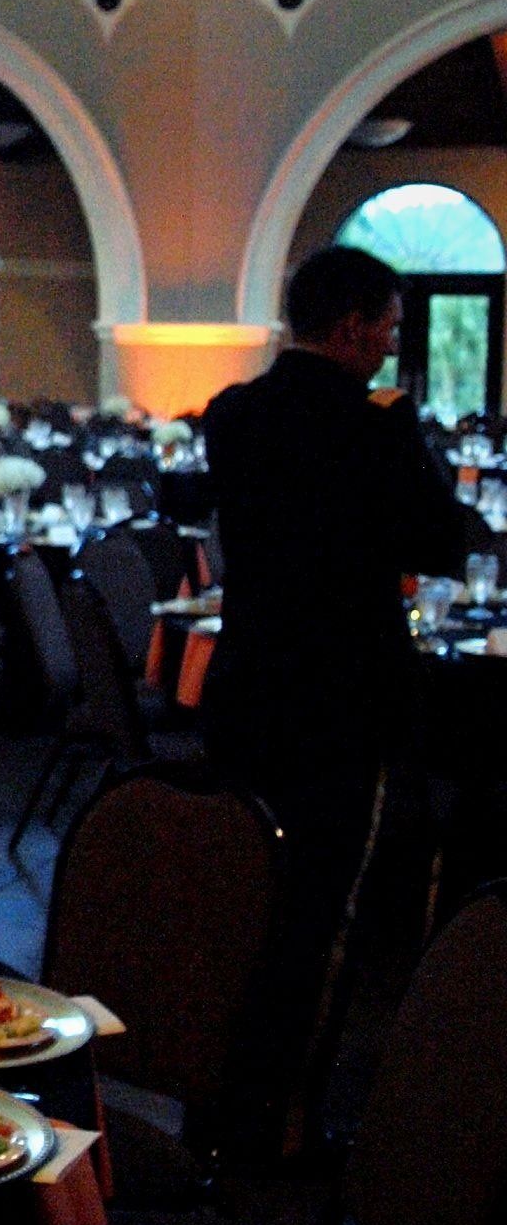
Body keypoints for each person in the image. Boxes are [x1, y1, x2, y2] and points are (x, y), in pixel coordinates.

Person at [201, 241, 465, 1153]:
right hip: (343, 703)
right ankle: (281, 1122)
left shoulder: (233, 415)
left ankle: (212, 1090)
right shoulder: (373, 426)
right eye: (389, 329)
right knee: (320, 915)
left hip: (245, 690)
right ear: (351, 328)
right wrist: (404, 432)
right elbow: (443, 541)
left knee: (238, 894)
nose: (393, 347)